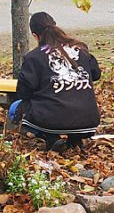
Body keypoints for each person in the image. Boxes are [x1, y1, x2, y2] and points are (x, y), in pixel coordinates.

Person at [9, 12, 102, 151]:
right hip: (89, 121)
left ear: (35, 35)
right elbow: (95, 74)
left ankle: (51, 138)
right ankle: (75, 139)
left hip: (51, 121)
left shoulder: (34, 57)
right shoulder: (81, 49)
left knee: (15, 108)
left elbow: (24, 92)